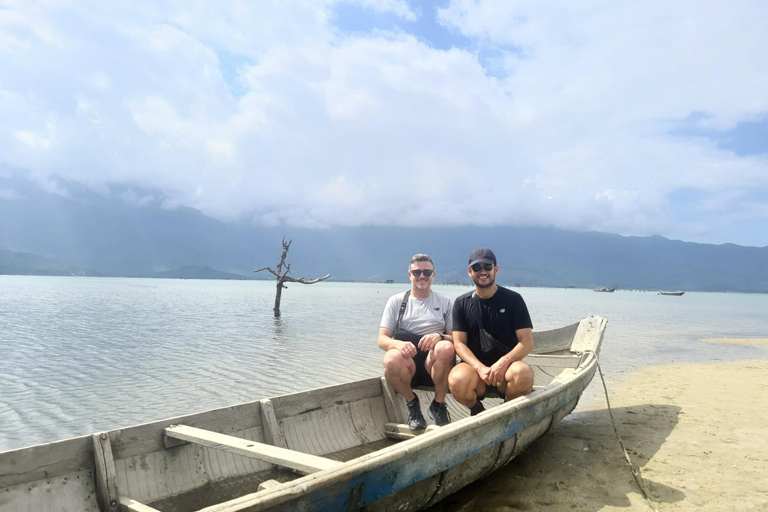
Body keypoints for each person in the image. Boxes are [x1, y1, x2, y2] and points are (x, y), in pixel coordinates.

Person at [448, 248, 534, 416]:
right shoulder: (461, 303)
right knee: (456, 380)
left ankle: (506, 410)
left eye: (487, 267)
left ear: (496, 270)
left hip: (507, 369)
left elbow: (527, 342)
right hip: (476, 370)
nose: (482, 272)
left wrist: (503, 363)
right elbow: (459, 344)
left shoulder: (513, 300)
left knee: (523, 374)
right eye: (477, 268)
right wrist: (479, 368)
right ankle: (476, 409)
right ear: (469, 272)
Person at [378, 254, 455, 429]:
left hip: (435, 364)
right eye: (417, 272)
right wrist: (398, 344)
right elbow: (382, 339)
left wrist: (440, 336)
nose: (422, 276)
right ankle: (412, 403)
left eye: (427, 272)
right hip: (408, 365)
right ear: (409, 275)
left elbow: (456, 339)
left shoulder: (445, 302)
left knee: (445, 347)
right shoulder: (396, 302)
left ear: (433, 275)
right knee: (390, 359)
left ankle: (438, 405)